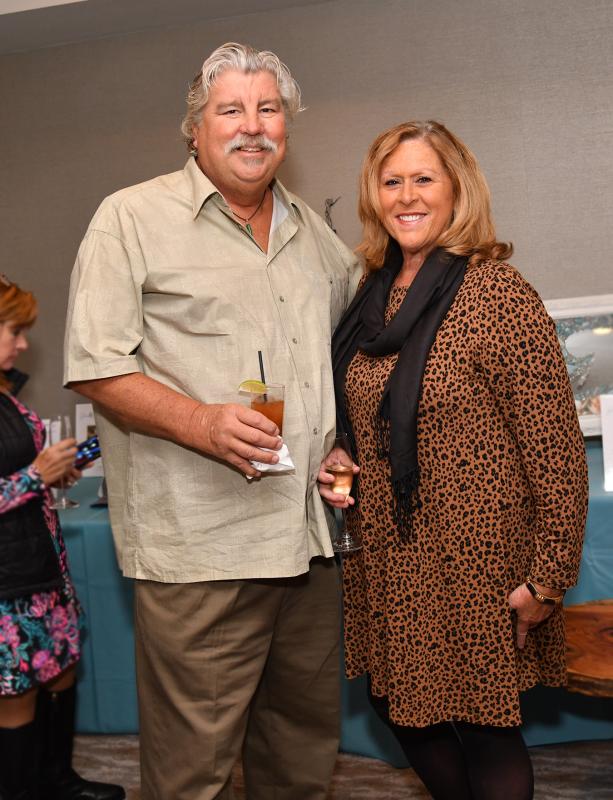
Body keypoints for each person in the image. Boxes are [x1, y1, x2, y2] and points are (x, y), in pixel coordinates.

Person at [64, 42, 360, 800]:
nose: (251, 127)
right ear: (195, 127)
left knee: (300, 758)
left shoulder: (316, 239)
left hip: (308, 545)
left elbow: (342, 369)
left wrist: (337, 448)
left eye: (267, 110)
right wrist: (201, 424)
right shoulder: (130, 218)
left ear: (286, 126)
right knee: (194, 772)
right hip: (201, 549)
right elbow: (97, 365)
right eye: (230, 110)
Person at [320, 121, 588, 800]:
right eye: (391, 181)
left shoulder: (498, 294)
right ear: (373, 195)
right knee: (397, 708)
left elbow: (555, 452)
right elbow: (361, 419)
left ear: (455, 190)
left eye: (423, 179)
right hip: (388, 556)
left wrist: (549, 578)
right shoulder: (370, 296)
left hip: (476, 562)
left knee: (486, 727)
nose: (406, 195)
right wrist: (341, 465)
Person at [0, 275, 125, 800]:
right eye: (13, 329)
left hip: (41, 569)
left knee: (59, 673)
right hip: (8, 585)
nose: (24, 342)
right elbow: (20, 479)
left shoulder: (6, 395)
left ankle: (58, 780)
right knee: (19, 694)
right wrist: (34, 477)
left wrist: (58, 469)